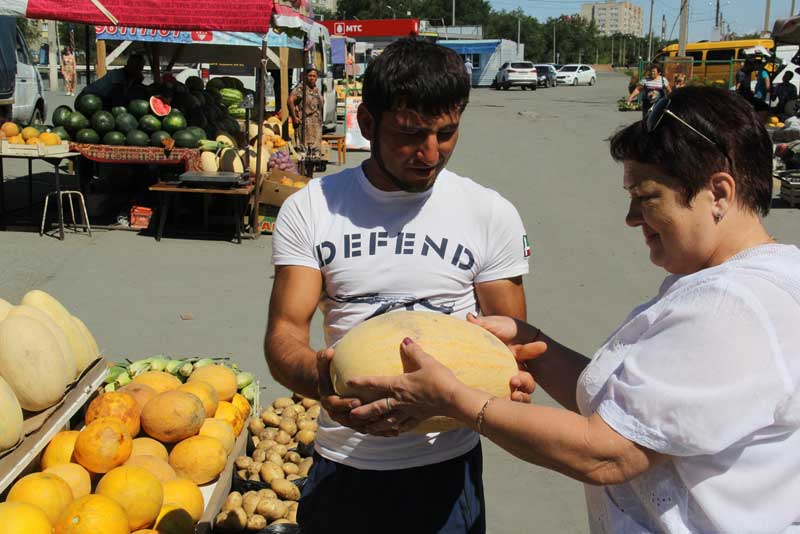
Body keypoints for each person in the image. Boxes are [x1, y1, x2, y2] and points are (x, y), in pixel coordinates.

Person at [347, 86, 800, 533]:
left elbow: (606, 452)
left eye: (646, 198)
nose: (631, 218)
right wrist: (531, 343)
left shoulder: (731, 307)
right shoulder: (758, 280)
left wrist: (454, 400)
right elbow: (630, 409)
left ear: (718, 193)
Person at [265, 38, 535, 534]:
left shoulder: (489, 213)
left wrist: (513, 382)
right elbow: (284, 334)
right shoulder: (311, 208)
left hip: (447, 472)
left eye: (447, 133)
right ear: (367, 123)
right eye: (410, 134)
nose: (430, 154)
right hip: (345, 466)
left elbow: (510, 341)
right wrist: (324, 381)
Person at [78, 53, 146, 110]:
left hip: (100, 100)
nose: (140, 70)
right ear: (129, 64)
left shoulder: (130, 77)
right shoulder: (118, 75)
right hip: (86, 98)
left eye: (141, 68)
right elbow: (118, 100)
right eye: (137, 67)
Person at [287, 68, 323, 150]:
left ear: (317, 78)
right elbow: (290, 100)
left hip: (316, 125)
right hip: (305, 124)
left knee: (315, 151)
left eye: (314, 76)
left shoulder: (316, 90)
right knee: (304, 150)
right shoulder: (301, 88)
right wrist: (294, 117)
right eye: (310, 76)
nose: (312, 78)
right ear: (305, 77)